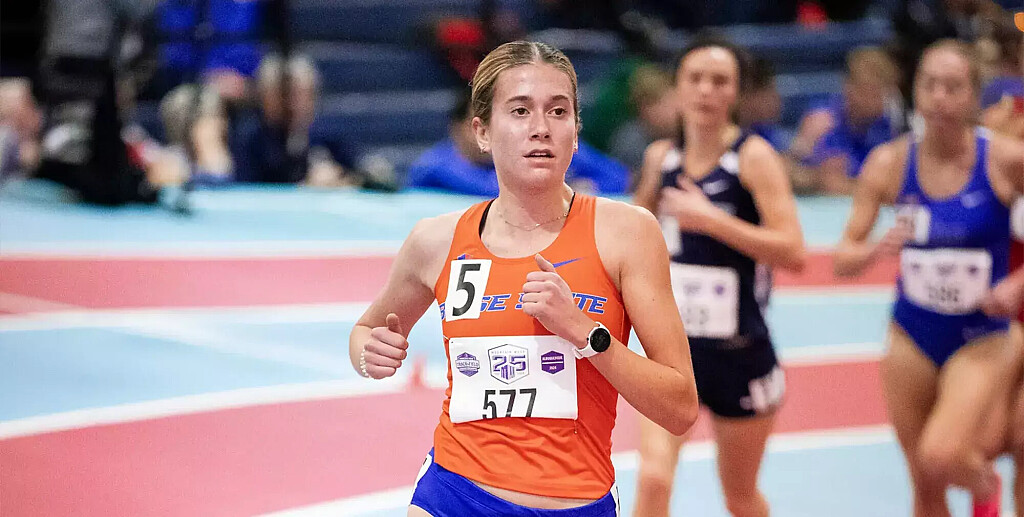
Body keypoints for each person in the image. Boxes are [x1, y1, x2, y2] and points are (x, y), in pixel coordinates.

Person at [348, 40, 699, 516]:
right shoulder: (436, 240)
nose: (541, 128)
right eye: (519, 111)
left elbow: (679, 408)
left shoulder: (627, 233)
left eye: (558, 111)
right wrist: (369, 355)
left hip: (576, 502)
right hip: (454, 495)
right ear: (482, 132)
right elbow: (368, 330)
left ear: (576, 131)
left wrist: (586, 334)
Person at [833, 40, 1024, 517]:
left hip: (981, 336)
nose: (939, 97)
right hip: (911, 334)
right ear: (914, 91)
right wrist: (874, 249)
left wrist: (1018, 285)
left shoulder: (1005, 159)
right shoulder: (890, 163)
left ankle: (984, 485)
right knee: (923, 484)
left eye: (953, 87)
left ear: (974, 95)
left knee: (941, 455)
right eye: (929, 85)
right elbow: (842, 259)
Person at [631, 37, 807, 517]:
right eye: (695, 79)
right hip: (673, 353)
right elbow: (634, 233)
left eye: (720, 81)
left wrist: (712, 221)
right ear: (678, 87)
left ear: (736, 92)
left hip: (739, 355)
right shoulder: (661, 158)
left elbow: (794, 252)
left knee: (739, 497)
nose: (706, 90)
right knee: (652, 479)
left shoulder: (753, 158)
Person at [406, 89, 631, 196]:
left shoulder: (545, 148)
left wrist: (590, 187)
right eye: (480, 124)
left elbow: (619, 177)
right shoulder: (434, 167)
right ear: (458, 127)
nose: (489, 131)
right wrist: (562, 188)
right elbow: (498, 191)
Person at [231, 54, 359, 186]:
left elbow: (358, 178)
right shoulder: (251, 141)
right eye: (284, 96)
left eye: (302, 94)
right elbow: (247, 190)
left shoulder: (328, 137)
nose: (293, 104)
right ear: (264, 97)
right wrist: (305, 188)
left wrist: (342, 181)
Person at [788, 47, 901, 196]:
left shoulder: (887, 128)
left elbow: (894, 184)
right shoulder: (821, 122)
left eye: (881, 94)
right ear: (849, 87)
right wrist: (814, 177)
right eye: (869, 91)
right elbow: (787, 169)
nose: (876, 101)